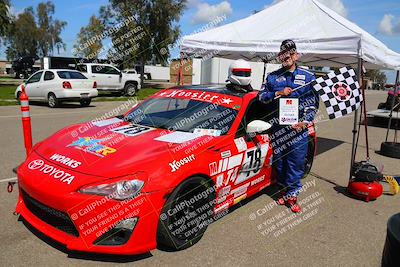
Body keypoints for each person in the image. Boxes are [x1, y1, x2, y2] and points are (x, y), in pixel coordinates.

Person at [258, 39, 319, 213]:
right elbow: (260, 97)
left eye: (290, 53)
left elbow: (312, 103)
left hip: (298, 130)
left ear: (296, 55)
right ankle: (284, 191)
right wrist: (277, 92)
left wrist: (305, 121)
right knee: (280, 163)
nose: (287, 56)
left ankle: (292, 197)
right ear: (280, 56)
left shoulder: (308, 77)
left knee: (295, 163)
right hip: (277, 129)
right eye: (283, 53)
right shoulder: (272, 77)